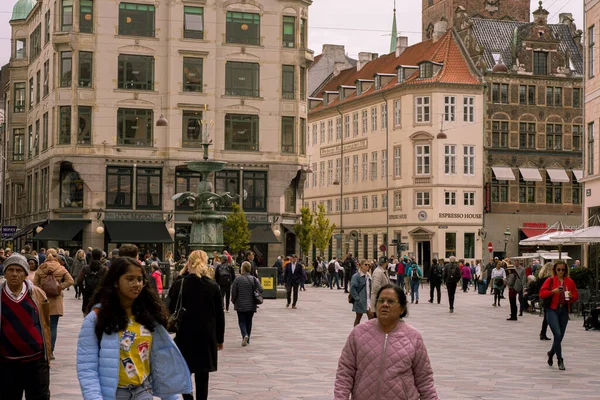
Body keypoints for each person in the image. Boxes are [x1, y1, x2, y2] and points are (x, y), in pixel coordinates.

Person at [77, 257, 192, 399]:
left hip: (143, 392)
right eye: (129, 279)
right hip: (113, 394)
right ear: (115, 282)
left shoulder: (149, 315)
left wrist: (171, 396)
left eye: (139, 279)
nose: (136, 284)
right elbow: (87, 367)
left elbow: (162, 360)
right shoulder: (97, 318)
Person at [334, 284, 438, 399]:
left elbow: (425, 380)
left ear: (402, 308)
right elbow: (344, 373)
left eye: (391, 301)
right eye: (381, 300)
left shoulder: (413, 337)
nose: (385, 304)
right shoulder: (359, 333)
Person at [167, 250, 224, 400]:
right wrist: (220, 339)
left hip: (185, 334)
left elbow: (168, 307)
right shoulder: (212, 286)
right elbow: (219, 315)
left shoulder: (180, 283)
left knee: (184, 372)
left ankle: (188, 398)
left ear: (188, 263)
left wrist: (181, 275)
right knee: (202, 375)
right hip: (206, 336)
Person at [0, 254, 52, 400]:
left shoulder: (37, 294)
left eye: (19, 270)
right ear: (5, 273)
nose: (14, 274)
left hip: (36, 361)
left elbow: (45, 323)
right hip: (7, 363)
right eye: (10, 270)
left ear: (25, 274)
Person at [539, 261, 578, 371]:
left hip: (564, 310)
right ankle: (560, 359)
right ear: (555, 270)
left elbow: (575, 295)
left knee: (559, 337)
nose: (561, 272)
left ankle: (551, 352)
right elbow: (542, 293)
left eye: (563, 269)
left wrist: (571, 296)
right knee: (557, 333)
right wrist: (553, 291)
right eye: (558, 269)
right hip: (552, 310)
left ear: (566, 270)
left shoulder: (569, 281)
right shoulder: (550, 280)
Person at [34, 250, 74, 357]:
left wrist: (42, 289)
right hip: (56, 300)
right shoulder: (60, 268)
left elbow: (34, 284)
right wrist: (59, 287)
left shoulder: (41, 268)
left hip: (43, 300)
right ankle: (51, 351)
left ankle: (44, 349)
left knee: (43, 325)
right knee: (53, 326)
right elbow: (71, 281)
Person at [231, 261, 264, 346]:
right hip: (251, 304)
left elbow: (234, 292)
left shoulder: (237, 279)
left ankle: (244, 335)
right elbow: (261, 289)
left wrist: (233, 301)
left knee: (242, 321)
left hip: (240, 304)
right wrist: (255, 292)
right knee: (249, 321)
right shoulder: (253, 278)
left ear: (242, 268)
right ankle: (248, 338)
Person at [77, 248, 109, 315]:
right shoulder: (105, 269)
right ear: (101, 256)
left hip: (88, 296)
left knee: (87, 318)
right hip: (100, 296)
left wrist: (83, 291)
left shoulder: (85, 268)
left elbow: (79, 280)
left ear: (91, 256)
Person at [350, 260, 373, 326]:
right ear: (361, 265)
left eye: (369, 265)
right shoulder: (356, 276)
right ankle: (356, 332)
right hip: (360, 300)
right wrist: (357, 298)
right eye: (365, 264)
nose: (367, 266)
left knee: (371, 317)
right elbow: (353, 288)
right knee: (358, 317)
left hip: (368, 300)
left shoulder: (368, 276)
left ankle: (371, 333)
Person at [537, 262, 554, 340]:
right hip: (549, 298)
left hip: (542, 298)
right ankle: (543, 333)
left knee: (546, 317)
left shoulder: (540, 278)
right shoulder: (549, 279)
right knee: (548, 317)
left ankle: (543, 333)